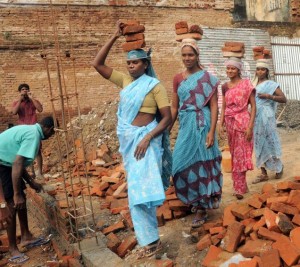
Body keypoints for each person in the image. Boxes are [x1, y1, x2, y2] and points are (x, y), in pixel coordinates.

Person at [92, 21, 172, 258]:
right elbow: (97, 64)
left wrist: (148, 137)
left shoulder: (155, 86)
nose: (131, 66)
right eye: (128, 62)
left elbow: (166, 118)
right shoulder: (126, 82)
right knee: (137, 195)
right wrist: (115, 36)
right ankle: (150, 241)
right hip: (130, 144)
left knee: (142, 194)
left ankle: (152, 242)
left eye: (135, 62)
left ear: (145, 64)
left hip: (146, 143)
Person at [170, 38, 223, 228]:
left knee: (203, 162)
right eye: (184, 55)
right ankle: (195, 197)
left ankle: (202, 207)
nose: (187, 58)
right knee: (179, 163)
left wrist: (211, 131)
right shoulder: (178, 78)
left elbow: (214, 106)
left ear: (197, 55)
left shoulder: (207, 78)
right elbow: (174, 108)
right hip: (186, 124)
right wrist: (167, 130)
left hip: (203, 122)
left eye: (190, 54)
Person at [0, 116, 56, 264]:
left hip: (7, 163)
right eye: (52, 132)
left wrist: (31, 182)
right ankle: (13, 249)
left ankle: (26, 236)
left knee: (21, 200)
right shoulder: (33, 136)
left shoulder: (32, 132)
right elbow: (17, 163)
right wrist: (16, 194)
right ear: (48, 129)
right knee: (11, 204)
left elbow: (18, 161)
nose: (51, 136)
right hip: (2, 165)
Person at [219, 57, 256, 200]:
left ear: (239, 70)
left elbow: (253, 106)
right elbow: (224, 106)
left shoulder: (246, 84)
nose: (229, 71)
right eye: (228, 68)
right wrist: (220, 123)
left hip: (243, 122)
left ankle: (238, 188)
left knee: (242, 154)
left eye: (232, 68)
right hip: (229, 123)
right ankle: (242, 185)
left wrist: (250, 126)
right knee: (235, 154)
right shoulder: (224, 86)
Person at [251, 59, 286, 183]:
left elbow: (283, 99)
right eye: (258, 69)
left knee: (270, 141)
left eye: (263, 69)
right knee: (258, 143)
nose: (260, 71)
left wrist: (269, 96)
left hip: (266, 116)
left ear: (266, 71)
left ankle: (279, 167)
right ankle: (263, 173)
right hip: (255, 116)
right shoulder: (252, 84)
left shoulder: (271, 84)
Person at [12, 83, 44, 179]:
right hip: (23, 129)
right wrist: (20, 100)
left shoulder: (33, 101)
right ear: (20, 92)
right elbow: (14, 112)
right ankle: (32, 172)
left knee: (37, 150)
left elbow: (40, 109)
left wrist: (32, 98)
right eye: (22, 89)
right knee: (26, 151)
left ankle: (40, 172)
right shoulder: (16, 102)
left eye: (26, 89)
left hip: (34, 127)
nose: (25, 91)